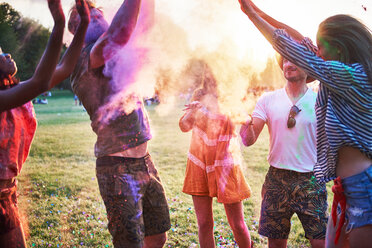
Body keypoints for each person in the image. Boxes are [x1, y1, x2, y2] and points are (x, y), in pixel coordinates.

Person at [238, 0, 372, 247]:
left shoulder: (351, 76)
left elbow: (293, 48)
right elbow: (299, 42)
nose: (316, 52)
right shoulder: (339, 74)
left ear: (339, 48)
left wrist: (253, 17)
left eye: (321, 48)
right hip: (347, 186)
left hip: (364, 188)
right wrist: (252, 10)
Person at [67, 0, 171, 247]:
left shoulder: (112, 53)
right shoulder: (84, 57)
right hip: (117, 169)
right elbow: (121, 32)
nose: (101, 18)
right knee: (129, 243)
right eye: (93, 16)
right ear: (79, 28)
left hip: (144, 162)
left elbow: (142, 28)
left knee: (157, 235)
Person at [0, 0, 90, 247]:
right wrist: (59, 23)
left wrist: (83, 27)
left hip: (7, 194)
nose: (6, 54)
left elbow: (64, 67)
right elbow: (41, 82)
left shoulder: (17, 92)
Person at [240, 46, 328, 248]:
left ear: (307, 66)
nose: (288, 64)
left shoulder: (320, 102)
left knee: (321, 242)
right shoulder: (267, 100)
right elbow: (249, 140)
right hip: (276, 180)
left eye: (294, 59)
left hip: (311, 180)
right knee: (276, 244)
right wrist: (245, 124)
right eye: (285, 61)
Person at [179, 64, 252, 248]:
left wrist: (245, 117)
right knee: (204, 224)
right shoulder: (199, 96)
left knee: (237, 224)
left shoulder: (231, 96)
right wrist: (193, 113)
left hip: (226, 164)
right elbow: (183, 126)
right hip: (199, 163)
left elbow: (243, 119)